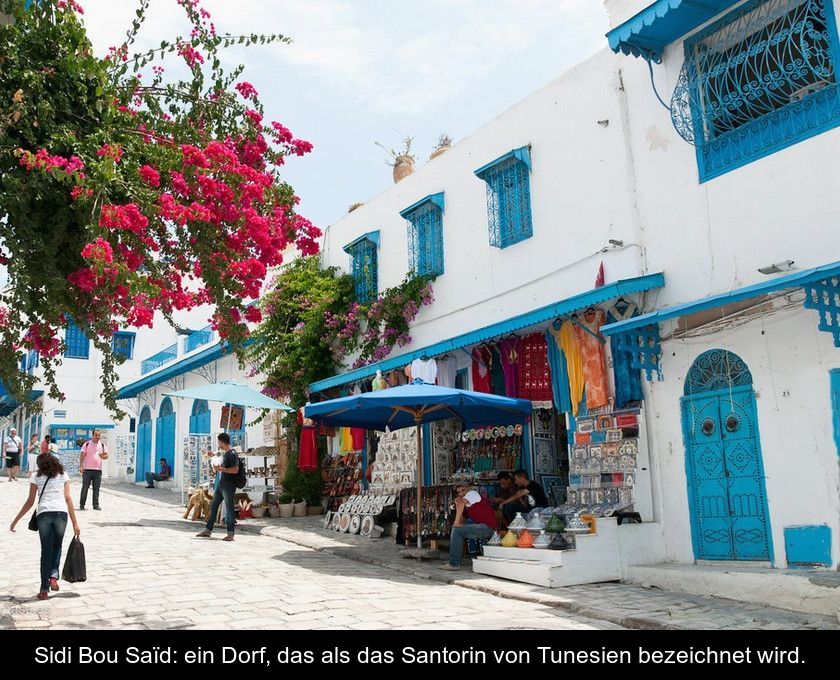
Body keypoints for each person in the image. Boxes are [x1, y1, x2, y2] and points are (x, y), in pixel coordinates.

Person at [9, 453, 81, 600]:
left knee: (46, 551)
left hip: (44, 514)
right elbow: (68, 498)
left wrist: (15, 521)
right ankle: (53, 576)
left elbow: (30, 502)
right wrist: (75, 523)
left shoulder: (36, 476)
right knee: (58, 546)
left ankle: (43, 589)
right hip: (61, 513)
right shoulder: (64, 474)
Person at [440, 485, 498, 571]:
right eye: (459, 492)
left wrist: (456, 523)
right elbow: (462, 520)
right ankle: (453, 560)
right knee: (457, 530)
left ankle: (454, 564)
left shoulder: (472, 493)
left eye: (463, 490)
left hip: (488, 528)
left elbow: (460, 505)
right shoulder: (467, 504)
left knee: (457, 530)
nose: (462, 493)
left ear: (468, 489)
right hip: (485, 528)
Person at [195, 433, 239, 542]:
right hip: (221, 485)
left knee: (229, 510)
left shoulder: (232, 454)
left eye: (219, 442)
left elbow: (235, 470)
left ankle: (230, 534)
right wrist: (212, 455)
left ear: (222, 442)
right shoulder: (226, 453)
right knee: (213, 507)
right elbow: (219, 454)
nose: (218, 444)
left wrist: (221, 470)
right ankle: (208, 530)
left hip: (229, 486)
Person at [79, 429, 108, 511]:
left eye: (99, 435)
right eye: (96, 435)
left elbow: (106, 456)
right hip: (87, 470)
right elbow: (82, 456)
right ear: (92, 435)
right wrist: (81, 466)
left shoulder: (102, 445)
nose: (97, 437)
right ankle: (82, 504)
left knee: (96, 488)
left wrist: (103, 456)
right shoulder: (87, 444)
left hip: (98, 470)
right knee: (85, 487)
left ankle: (95, 505)